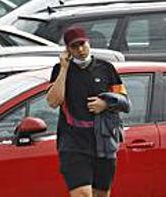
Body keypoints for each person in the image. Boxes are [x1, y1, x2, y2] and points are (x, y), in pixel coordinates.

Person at [47, 26, 127, 197]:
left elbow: (125, 102)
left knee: (101, 194)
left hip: (103, 141)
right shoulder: (60, 70)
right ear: (67, 50)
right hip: (73, 144)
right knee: (82, 194)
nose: (81, 50)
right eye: (75, 47)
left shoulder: (106, 68)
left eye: (83, 44)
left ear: (88, 43)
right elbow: (53, 102)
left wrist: (105, 103)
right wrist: (64, 68)